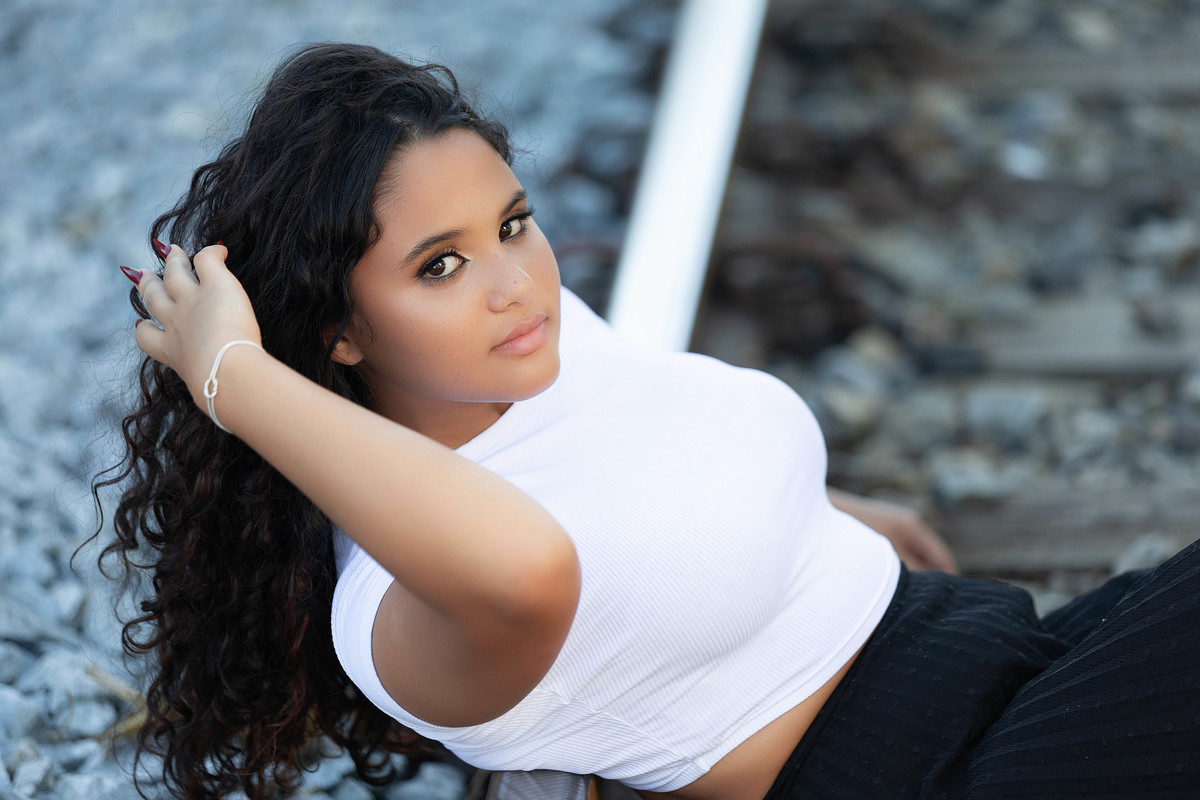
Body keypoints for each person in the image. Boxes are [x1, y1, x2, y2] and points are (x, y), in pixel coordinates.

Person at [96, 43, 1200, 800]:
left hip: (1018, 654)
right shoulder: (395, 611)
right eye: (440, 265)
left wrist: (814, 511)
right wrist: (232, 375)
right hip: (939, 773)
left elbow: (646, 452)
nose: (515, 283)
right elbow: (531, 562)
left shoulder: (525, 351)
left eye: (513, 223)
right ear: (337, 332)